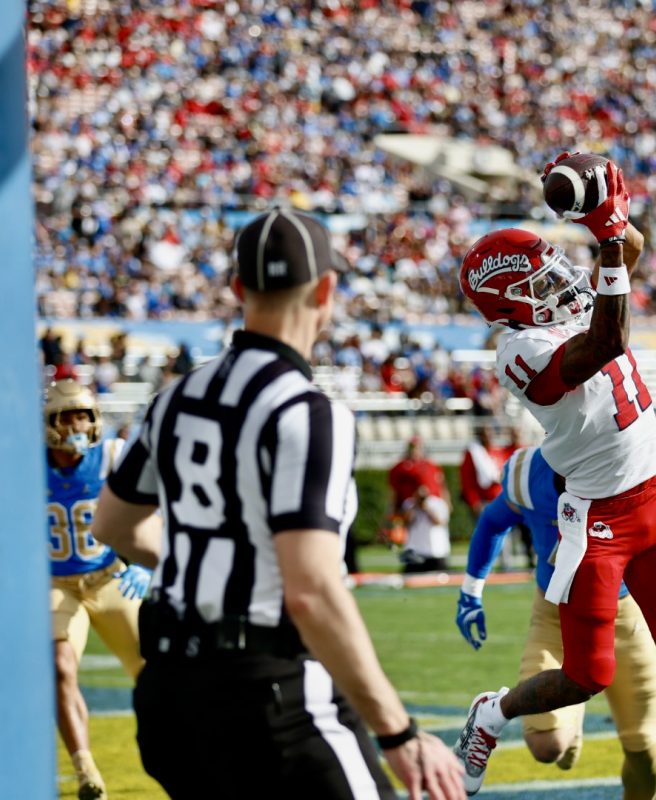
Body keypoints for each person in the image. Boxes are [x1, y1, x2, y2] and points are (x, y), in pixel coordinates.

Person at [92, 209, 463, 800]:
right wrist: (400, 733)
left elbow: (113, 522)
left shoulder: (175, 398)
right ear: (327, 291)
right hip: (268, 695)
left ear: (239, 288)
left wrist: (207, 563)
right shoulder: (307, 411)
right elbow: (310, 590)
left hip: (169, 691)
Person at [453, 156, 656, 800]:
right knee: (587, 676)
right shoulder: (519, 353)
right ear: (511, 305)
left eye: (555, 269)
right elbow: (607, 339)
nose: (560, 282)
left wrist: (607, 210)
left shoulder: (564, 305)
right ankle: (491, 713)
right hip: (599, 520)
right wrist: (608, 244)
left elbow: (629, 249)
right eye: (542, 281)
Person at [456, 446, 656, 800]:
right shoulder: (528, 472)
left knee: (645, 753)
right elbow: (493, 521)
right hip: (555, 611)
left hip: (626, 613)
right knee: (547, 744)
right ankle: (557, 719)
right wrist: (470, 592)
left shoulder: (635, 466)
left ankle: (575, 709)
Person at [44, 378, 153, 800]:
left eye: (84, 415)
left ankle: (186, 752)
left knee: (155, 672)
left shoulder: (110, 455)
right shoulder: (27, 465)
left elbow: (152, 503)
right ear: (49, 422)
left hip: (109, 578)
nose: (77, 424)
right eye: (67, 415)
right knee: (60, 667)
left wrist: (142, 562)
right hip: (56, 584)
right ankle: (85, 769)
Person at [400, 483, 452, 573]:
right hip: (415, 552)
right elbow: (405, 522)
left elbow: (440, 522)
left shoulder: (438, 503)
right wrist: (415, 505)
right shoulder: (409, 503)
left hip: (435, 552)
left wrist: (426, 508)